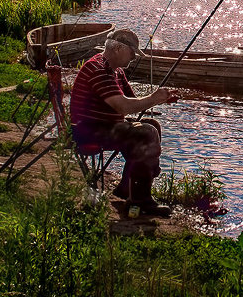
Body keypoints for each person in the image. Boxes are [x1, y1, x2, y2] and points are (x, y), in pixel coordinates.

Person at [69, 28, 180, 217]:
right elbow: (123, 107)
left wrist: (161, 98)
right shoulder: (99, 69)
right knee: (145, 133)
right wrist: (154, 98)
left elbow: (133, 101)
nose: (134, 58)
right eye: (132, 53)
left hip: (103, 126)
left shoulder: (115, 71)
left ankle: (127, 188)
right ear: (119, 49)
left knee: (152, 124)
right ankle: (140, 200)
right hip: (87, 130)